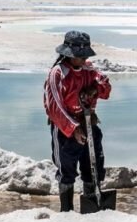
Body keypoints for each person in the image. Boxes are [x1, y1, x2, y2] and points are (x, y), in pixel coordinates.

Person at [44, 30, 112, 212]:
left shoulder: (90, 70)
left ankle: (92, 206)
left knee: (94, 166)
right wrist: (73, 128)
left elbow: (106, 90)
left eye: (84, 56)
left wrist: (95, 89)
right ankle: (66, 210)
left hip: (89, 123)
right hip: (65, 130)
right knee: (67, 171)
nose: (83, 60)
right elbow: (54, 107)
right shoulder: (57, 74)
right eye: (79, 56)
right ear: (67, 54)